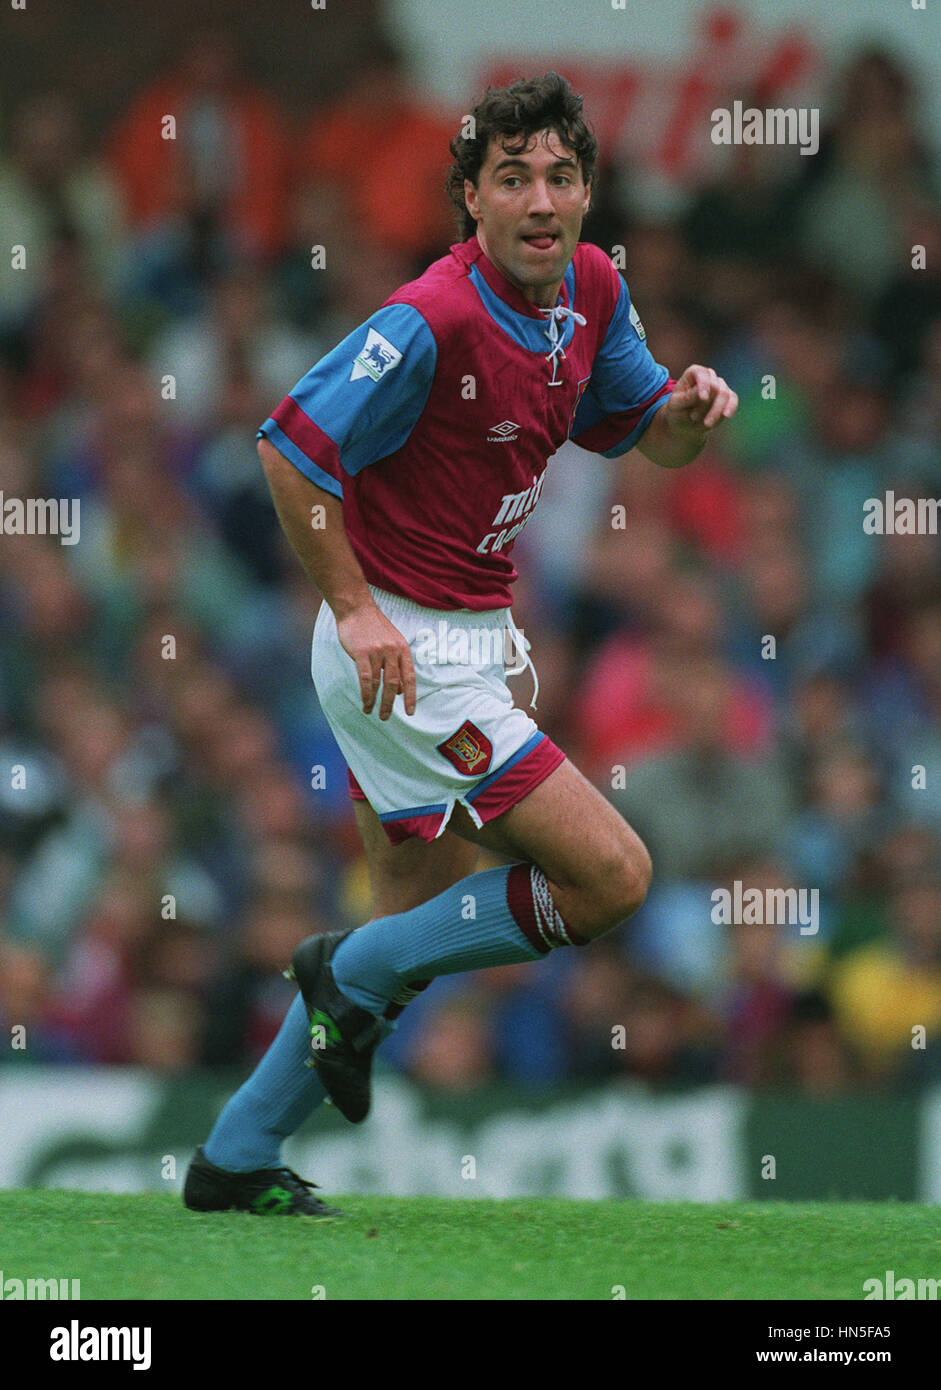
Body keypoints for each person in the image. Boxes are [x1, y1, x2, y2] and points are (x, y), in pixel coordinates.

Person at [183, 72, 737, 1217]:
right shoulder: (427, 319)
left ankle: (234, 1155)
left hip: (468, 643)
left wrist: (682, 415)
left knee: (403, 928)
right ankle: (348, 968)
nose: (541, 199)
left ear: (587, 192)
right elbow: (289, 451)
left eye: (561, 175)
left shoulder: (590, 289)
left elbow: (647, 440)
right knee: (610, 877)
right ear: (469, 201)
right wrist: (352, 606)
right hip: (400, 653)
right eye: (512, 178)